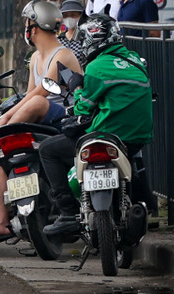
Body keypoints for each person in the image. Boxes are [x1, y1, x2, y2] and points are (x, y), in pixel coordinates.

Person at [0, 0, 83, 248]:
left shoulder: (63, 54)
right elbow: (27, 95)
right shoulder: (35, 57)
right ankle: (2, 220)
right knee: (4, 151)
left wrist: (0, 123)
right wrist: (2, 120)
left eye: (27, 23)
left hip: (61, 118)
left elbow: (38, 96)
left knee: (33, 105)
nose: (26, 28)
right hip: (37, 118)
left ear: (33, 28)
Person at [41, 15, 153, 235]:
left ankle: (66, 213)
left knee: (47, 150)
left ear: (90, 40)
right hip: (137, 138)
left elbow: (83, 108)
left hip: (106, 134)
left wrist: (77, 86)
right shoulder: (136, 62)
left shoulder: (96, 66)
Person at [59, 0, 87, 67]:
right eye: (65, 15)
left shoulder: (86, 38)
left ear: (81, 16)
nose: (69, 18)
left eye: (73, 15)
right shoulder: (59, 40)